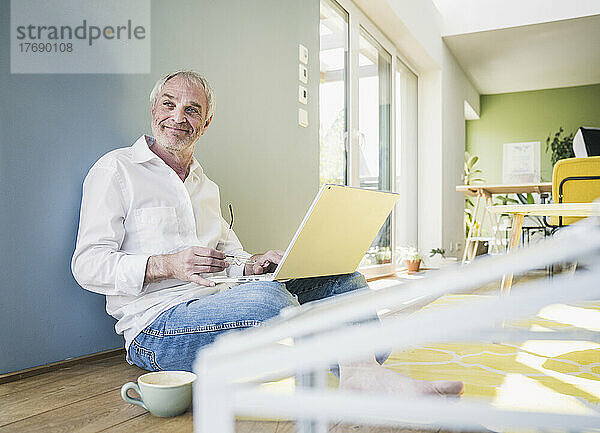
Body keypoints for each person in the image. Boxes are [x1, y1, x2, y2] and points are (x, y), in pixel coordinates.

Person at [72, 70, 463, 397]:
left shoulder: (205, 186)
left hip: (220, 302)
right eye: (169, 104)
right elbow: (87, 266)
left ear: (205, 123)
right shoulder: (116, 170)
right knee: (268, 301)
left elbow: (229, 258)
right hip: (156, 332)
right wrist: (166, 264)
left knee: (342, 279)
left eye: (192, 110)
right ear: (153, 110)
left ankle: (362, 372)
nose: (179, 116)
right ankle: (360, 376)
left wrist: (254, 263)